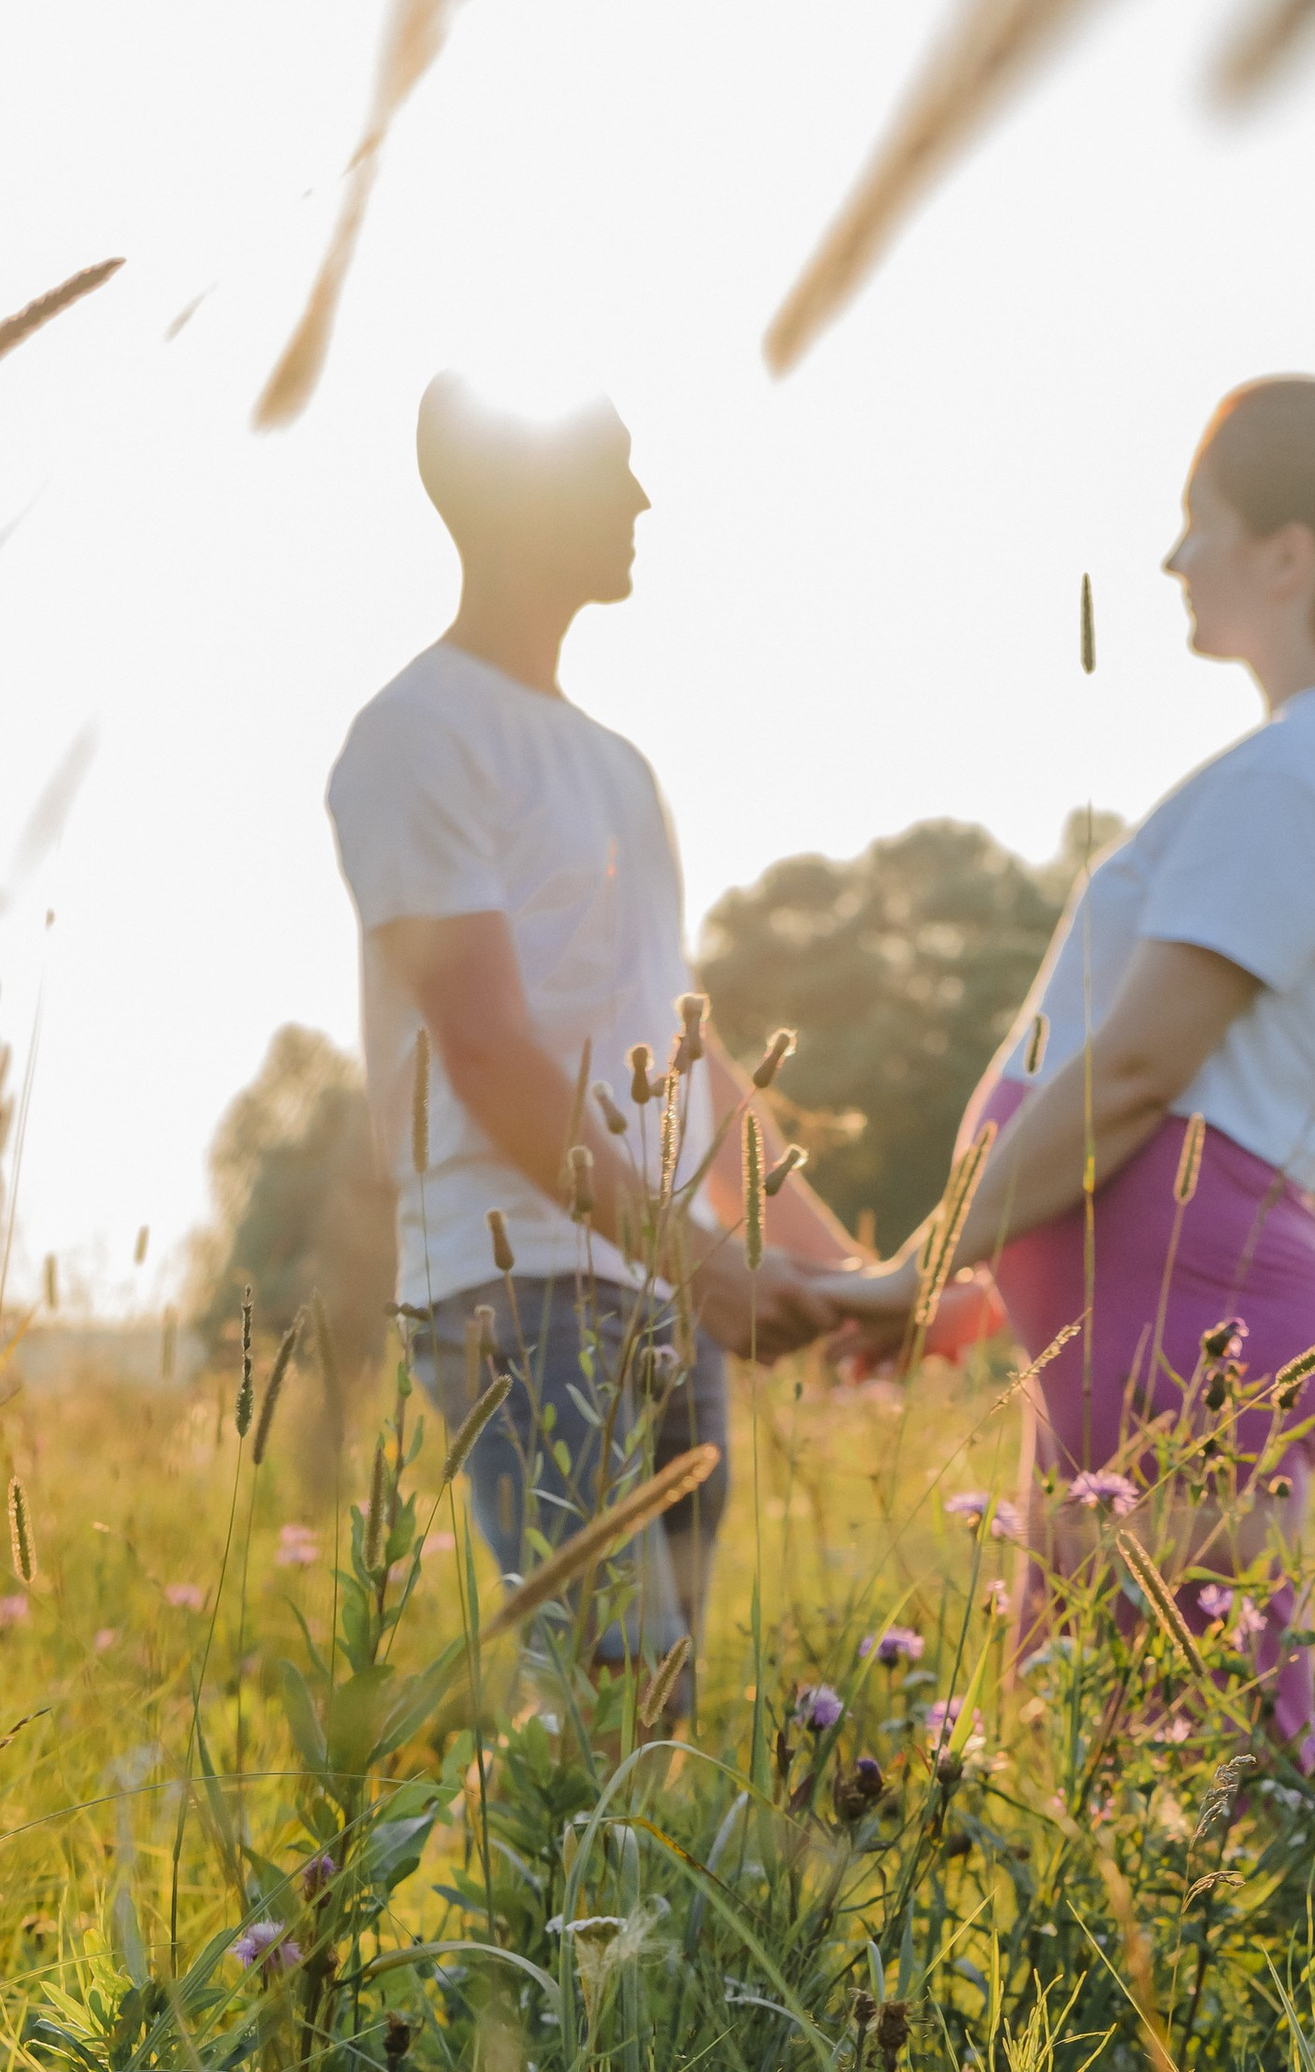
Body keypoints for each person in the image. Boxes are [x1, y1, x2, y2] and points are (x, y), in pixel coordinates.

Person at [836, 376, 1315, 1769]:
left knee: (1188, 1782)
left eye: (1201, 521)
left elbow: (1136, 1075)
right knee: (1125, 1766)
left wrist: (914, 1270)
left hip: (1194, 1330)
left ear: (1289, 554)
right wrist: (983, 1287)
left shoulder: (1300, 772)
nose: (1174, 557)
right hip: (1166, 1322)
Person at [326, 379, 862, 1668]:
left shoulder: (620, 765)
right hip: (519, 1289)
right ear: (521, 497)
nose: (641, 498)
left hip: (657, 1278)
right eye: (612, 468)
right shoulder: (414, 737)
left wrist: (841, 1271)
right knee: (607, 1693)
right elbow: (486, 1052)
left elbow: (688, 1053)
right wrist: (710, 1267)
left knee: (656, 1699)